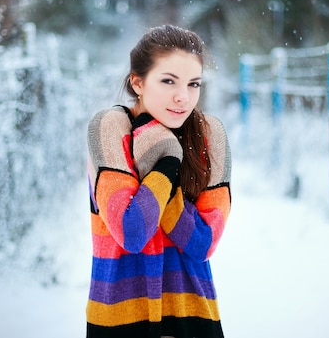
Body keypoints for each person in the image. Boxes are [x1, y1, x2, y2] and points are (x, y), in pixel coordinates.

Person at [85, 24, 232, 338]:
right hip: (121, 317)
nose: (183, 97)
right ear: (137, 82)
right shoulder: (109, 127)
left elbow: (202, 242)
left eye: (194, 84)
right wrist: (165, 161)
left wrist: (160, 154)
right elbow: (132, 230)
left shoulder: (210, 135)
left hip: (193, 317)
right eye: (168, 81)